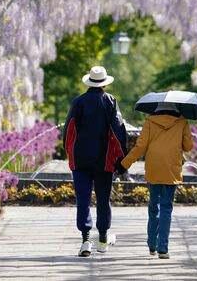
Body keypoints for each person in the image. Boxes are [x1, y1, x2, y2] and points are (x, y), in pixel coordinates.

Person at [63, 66, 128, 257]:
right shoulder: (110, 101)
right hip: (104, 160)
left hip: (80, 160)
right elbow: (118, 131)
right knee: (103, 199)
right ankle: (102, 238)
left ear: (89, 82)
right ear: (105, 84)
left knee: (82, 199)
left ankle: (85, 240)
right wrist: (120, 158)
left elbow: (69, 131)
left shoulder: (79, 102)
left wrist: (71, 154)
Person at [117, 103, 193, 259]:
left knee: (154, 206)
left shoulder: (150, 121)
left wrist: (124, 164)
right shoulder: (182, 122)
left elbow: (140, 147)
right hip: (171, 168)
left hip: (154, 166)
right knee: (166, 207)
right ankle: (163, 248)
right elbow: (188, 146)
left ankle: (152, 244)